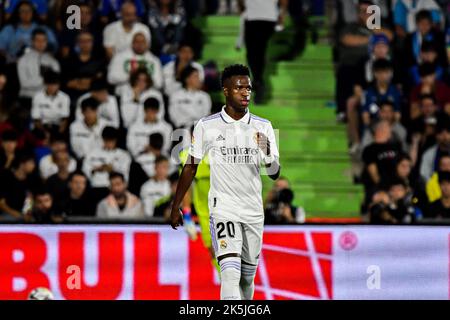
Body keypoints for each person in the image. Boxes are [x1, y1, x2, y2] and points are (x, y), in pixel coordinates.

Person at [169, 64, 280, 300]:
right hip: (223, 209)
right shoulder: (207, 126)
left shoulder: (264, 126)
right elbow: (190, 166)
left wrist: (267, 150)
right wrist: (176, 205)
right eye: (239, 87)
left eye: (248, 88)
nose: (245, 92)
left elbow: (274, 172)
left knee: (246, 279)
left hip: (252, 210)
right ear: (226, 91)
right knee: (229, 273)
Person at [238, 0, 288, 104]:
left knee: (257, 50)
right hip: (254, 15)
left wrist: (282, 14)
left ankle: (258, 81)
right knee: (253, 52)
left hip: (266, 16)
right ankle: (258, 81)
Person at [82, 126, 132, 202]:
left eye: (111, 141)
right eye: (106, 141)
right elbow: (85, 170)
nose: (109, 143)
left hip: (115, 189)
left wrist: (113, 170)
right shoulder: (92, 153)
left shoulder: (124, 155)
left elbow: (125, 174)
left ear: (116, 140)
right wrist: (95, 170)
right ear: (102, 139)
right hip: (96, 187)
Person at [61, 31, 106, 103]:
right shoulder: (69, 61)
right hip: (73, 98)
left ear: (92, 43)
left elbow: (101, 83)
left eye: (88, 41)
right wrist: (89, 82)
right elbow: (68, 83)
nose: (85, 44)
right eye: (82, 41)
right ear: (77, 43)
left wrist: (80, 82)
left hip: (95, 99)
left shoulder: (100, 61)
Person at [17, 28, 60, 102]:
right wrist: (45, 81)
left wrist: (45, 83)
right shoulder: (23, 59)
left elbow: (55, 82)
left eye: (43, 40)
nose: (41, 43)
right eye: (38, 40)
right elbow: (24, 84)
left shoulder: (53, 61)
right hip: (28, 98)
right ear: (32, 41)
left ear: (46, 42)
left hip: (48, 99)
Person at [31, 71, 70, 136]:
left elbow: (64, 119)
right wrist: (44, 133)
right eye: (49, 84)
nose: (52, 87)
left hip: (57, 126)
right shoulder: (37, 97)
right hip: (42, 126)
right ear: (45, 84)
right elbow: (36, 119)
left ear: (59, 85)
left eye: (55, 85)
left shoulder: (65, 97)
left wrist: (58, 134)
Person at [0, 152, 37, 221]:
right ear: (22, 164)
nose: (33, 166)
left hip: (21, 214)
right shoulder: (6, 176)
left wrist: (27, 213)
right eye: (31, 163)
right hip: (6, 213)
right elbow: (1, 203)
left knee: (33, 221)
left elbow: (29, 199)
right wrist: (15, 214)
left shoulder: (31, 179)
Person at [420, 115, 450, 181]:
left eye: (448, 133)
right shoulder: (428, 154)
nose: (445, 137)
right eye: (441, 133)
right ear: (436, 136)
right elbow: (424, 174)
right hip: (433, 187)